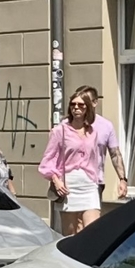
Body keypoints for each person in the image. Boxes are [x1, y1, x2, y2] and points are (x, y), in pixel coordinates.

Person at [37, 87, 128, 234]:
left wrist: (122, 179)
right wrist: (56, 180)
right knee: (70, 235)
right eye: (73, 105)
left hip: (90, 184)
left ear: (89, 106)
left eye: (81, 105)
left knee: (93, 231)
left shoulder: (93, 131)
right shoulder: (60, 130)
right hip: (68, 187)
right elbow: (47, 161)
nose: (76, 108)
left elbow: (113, 153)